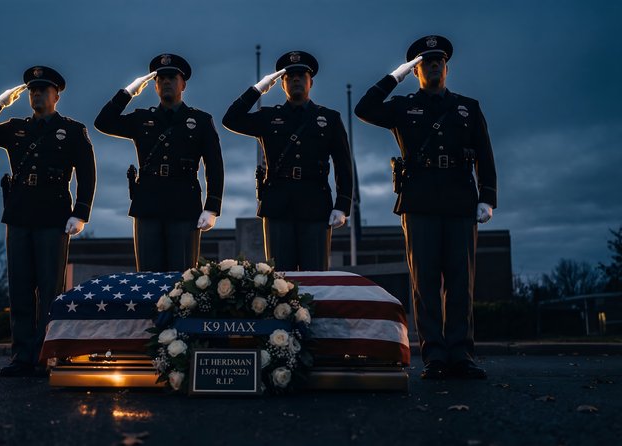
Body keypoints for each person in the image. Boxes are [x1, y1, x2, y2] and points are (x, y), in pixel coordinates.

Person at [354, 36, 497, 379]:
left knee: (461, 282)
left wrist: (487, 197)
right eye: (426, 62)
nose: (433, 65)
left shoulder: (467, 107)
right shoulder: (403, 107)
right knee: (425, 281)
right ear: (417, 69)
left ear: (446, 68)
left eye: (438, 61)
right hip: (419, 202)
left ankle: (461, 354)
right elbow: (364, 109)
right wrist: (395, 76)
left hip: (461, 199)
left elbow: (485, 156)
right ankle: (434, 355)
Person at [0, 66, 96, 377]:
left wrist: (81, 212)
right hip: (20, 215)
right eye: (32, 90)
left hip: (54, 216)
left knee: (49, 290)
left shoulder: (73, 131)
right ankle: (22, 356)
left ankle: (45, 355)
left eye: (43, 89)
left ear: (56, 95)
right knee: (20, 290)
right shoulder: (15, 128)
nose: (36, 94)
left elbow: (87, 174)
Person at [223, 51, 353, 271]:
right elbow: (231, 119)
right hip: (278, 206)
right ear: (281, 83)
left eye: (301, 75)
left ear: (311, 81)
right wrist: (258, 89)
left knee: (316, 278)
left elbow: (343, 164)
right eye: (289, 76)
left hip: (316, 205)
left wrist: (342, 205)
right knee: (280, 280)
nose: (295, 79)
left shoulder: (329, 118)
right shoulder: (268, 117)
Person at [94, 54, 224, 272]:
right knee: (147, 278)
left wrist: (212, 207)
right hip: (148, 205)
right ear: (154, 86)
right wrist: (127, 93)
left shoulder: (200, 121)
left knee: (181, 278)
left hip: (184, 205)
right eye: (160, 78)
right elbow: (103, 122)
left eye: (172, 77)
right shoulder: (142, 118)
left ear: (183, 84)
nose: (165, 82)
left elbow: (215, 166)